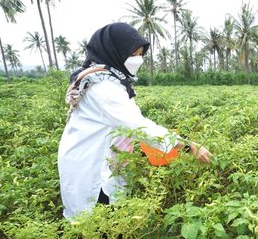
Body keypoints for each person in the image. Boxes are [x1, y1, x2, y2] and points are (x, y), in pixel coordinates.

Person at [58, 22, 212, 219]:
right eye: (133, 55)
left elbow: (125, 124)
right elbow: (138, 126)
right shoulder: (104, 88)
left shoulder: (105, 78)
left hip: (91, 155)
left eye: (140, 55)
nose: (137, 60)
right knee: (99, 223)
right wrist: (189, 146)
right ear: (116, 52)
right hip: (91, 165)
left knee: (101, 220)